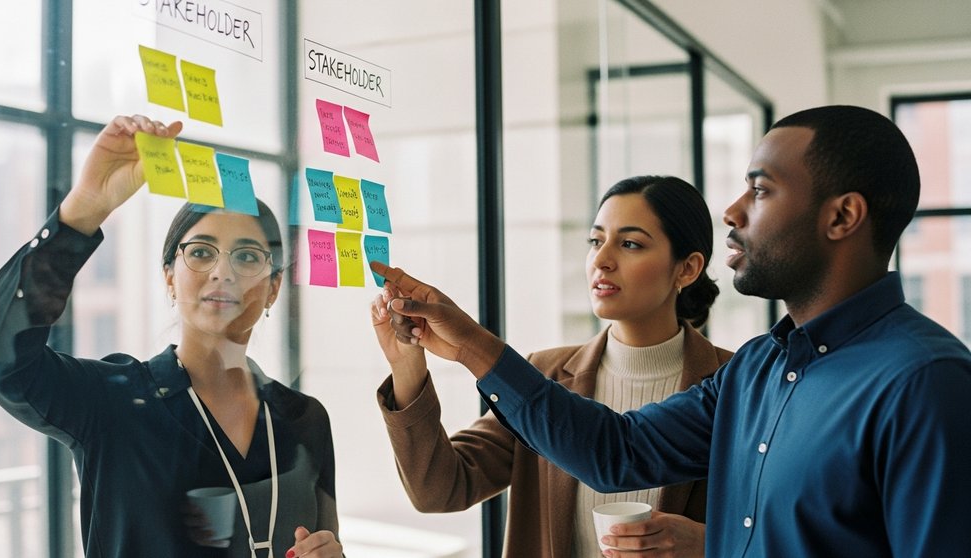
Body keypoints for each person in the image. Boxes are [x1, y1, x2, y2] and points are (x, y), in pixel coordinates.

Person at [371, 105, 971, 557]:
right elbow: (616, 452)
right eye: (596, 240)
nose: (733, 212)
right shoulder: (758, 368)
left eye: (760, 190)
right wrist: (471, 343)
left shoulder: (925, 382)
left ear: (842, 216)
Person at [0, 115, 343, 558]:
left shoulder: (305, 420)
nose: (222, 271)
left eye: (247, 256)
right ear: (169, 277)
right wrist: (85, 208)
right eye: (201, 252)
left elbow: (329, 544)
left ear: (274, 286)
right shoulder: (114, 404)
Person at [372, 176, 733, 557]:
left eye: (630, 244)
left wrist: (712, 545)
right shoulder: (543, 376)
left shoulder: (737, 385)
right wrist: (407, 367)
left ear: (688, 269)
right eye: (596, 241)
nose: (602, 260)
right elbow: (439, 489)